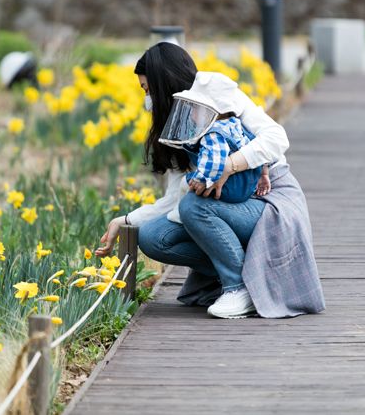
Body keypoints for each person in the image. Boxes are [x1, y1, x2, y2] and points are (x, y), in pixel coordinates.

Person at [96, 42, 325, 319]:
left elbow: (277, 139)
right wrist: (125, 221)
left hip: (268, 198)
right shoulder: (176, 126)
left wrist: (229, 165)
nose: (147, 100)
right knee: (154, 237)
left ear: (162, 84)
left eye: (147, 90)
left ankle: (238, 287)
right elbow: (173, 200)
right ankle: (252, 275)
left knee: (193, 207)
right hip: (224, 206)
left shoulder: (216, 95)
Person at [159, 70, 269, 203]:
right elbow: (253, 144)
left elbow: (214, 161)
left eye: (196, 108)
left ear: (214, 112)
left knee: (185, 182)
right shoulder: (234, 124)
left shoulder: (212, 134)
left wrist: (201, 180)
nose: (191, 114)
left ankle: (178, 214)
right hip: (249, 182)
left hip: (231, 187)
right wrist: (263, 174)